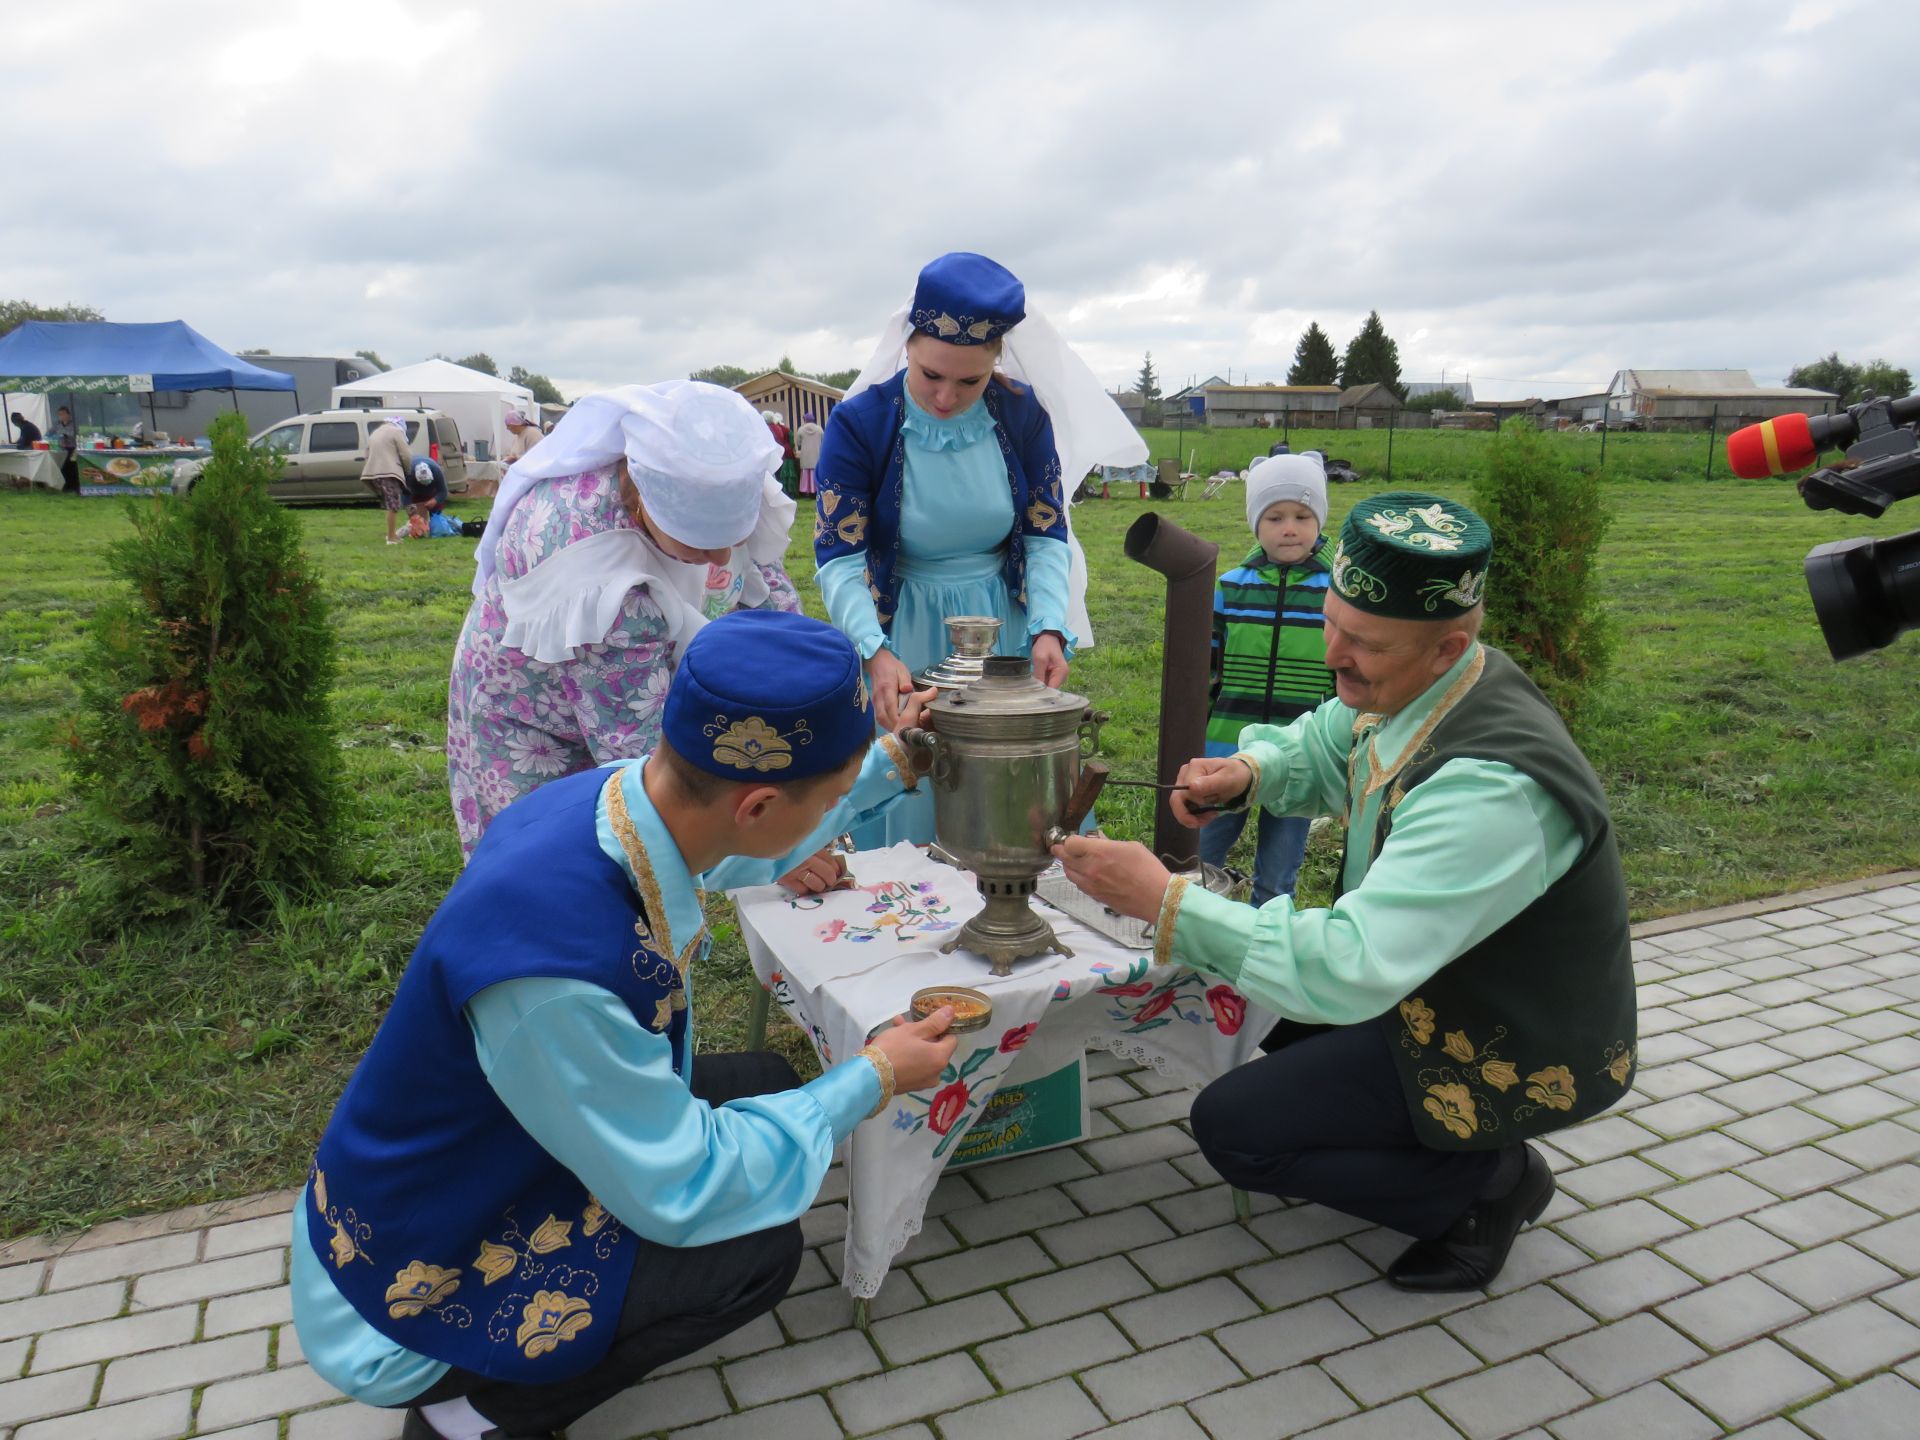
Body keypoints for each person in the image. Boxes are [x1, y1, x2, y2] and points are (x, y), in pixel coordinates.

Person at [295, 610, 959, 1440]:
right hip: (412, 1279)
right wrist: (875, 1075)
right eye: (826, 799)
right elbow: (683, 1187)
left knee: (768, 1084)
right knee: (757, 1254)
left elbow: (743, 844)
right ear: (757, 801)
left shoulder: (616, 795)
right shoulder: (558, 980)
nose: (827, 818)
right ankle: (476, 1413)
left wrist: (889, 764)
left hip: (473, 1156)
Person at [1054, 492, 1635, 1293]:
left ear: (1448, 648)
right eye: (1331, 622)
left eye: (1361, 642)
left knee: (1236, 1129)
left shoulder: (1490, 790)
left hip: (1504, 1035)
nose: (1333, 654)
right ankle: (1439, 1148)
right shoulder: (1426, 685)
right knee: (1252, 1004)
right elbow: (1328, 740)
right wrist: (1250, 772)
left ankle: (1488, 1187)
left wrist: (1161, 901)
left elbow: (1351, 967)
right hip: (1427, 981)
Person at [815, 251, 1143, 844]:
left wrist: (1047, 627)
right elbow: (839, 558)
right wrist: (874, 650)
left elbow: (1046, 535)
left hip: (1003, 633)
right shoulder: (861, 423)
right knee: (913, 789)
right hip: (903, 632)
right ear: (907, 346)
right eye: (930, 375)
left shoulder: (1020, 416)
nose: (946, 397)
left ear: (999, 358)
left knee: (1013, 795)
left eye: (970, 380)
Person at [448, 381, 804, 860]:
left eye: (732, 537)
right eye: (700, 545)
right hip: (531, 721)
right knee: (567, 864)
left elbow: (772, 604)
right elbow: (648, 769)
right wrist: (771, 850)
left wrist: (819, 691)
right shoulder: (602, 578)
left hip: (621, 691)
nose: (722, 555)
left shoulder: (715, 479)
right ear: (645, 503)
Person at [1197, 455, 1336, 904]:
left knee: (1277, 879)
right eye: (1274, 517)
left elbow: (1342, 677)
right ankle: (1188, 944)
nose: (1289, 528)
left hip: (1301, 754)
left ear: (1319, 521)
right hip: (1227, 744)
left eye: (1302, 516)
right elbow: (1206, 671)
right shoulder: (1229, 588)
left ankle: (1266, 949)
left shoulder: (1335, 593)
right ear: (1256, 523)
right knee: (1198, 863)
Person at [362, 417, 414, 546]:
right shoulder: (396, 432)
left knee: (390, 504)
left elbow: (366, 454)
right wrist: (407, 471)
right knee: (393, 505)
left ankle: (392, 535)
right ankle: (391, 537)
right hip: (388, 472)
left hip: (373, 473)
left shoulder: (375, 433)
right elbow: (406, 454)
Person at [794, 410, 824, 496]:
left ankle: (806, 491)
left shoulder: (801, 429)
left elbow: (798, 443)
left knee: (806, 473)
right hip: (816, 454)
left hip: (805, 455)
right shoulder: (819, 429)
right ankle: (815, 490)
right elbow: (823, 440)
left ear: (805, 420)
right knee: (815, 472)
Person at [52, 405, 78, 491]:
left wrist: (63, 435)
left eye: (63, 414)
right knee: (62, 467)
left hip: (71, 448)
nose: (61, 416)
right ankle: (64, 486)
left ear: (68, 414)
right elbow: (50, 433)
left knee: (71, 467)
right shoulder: (57, 425)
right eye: (59, 414)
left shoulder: (73, 425)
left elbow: (73, 435)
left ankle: (73, 486)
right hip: (60, 449)